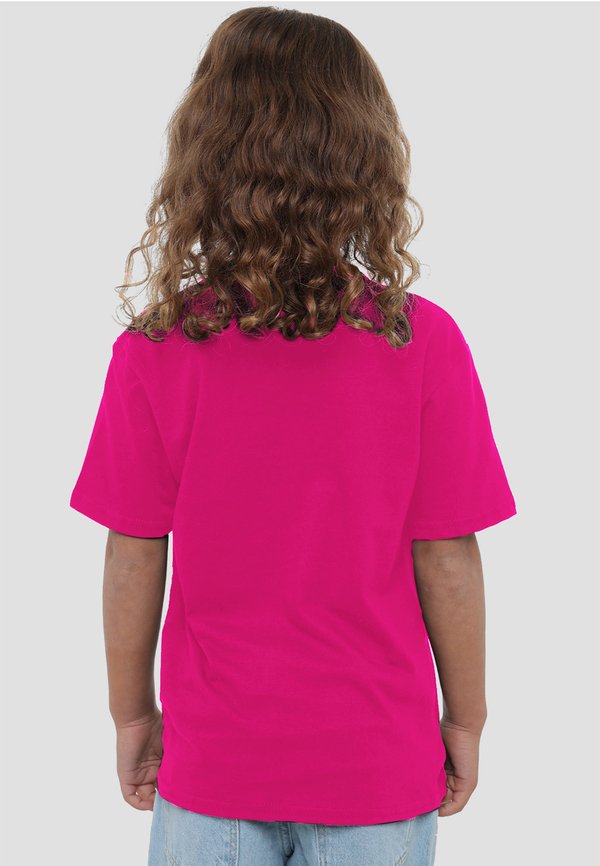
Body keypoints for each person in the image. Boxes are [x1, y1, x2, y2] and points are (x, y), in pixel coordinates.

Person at [68, 7, 517, 866]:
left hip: (214, 768)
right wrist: (466, 718)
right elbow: (447, 556)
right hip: (376, 767)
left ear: (204, 158)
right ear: (364, 161)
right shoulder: (419, 340)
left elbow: (132, 552)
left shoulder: (158, 346)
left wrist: (132, 715)